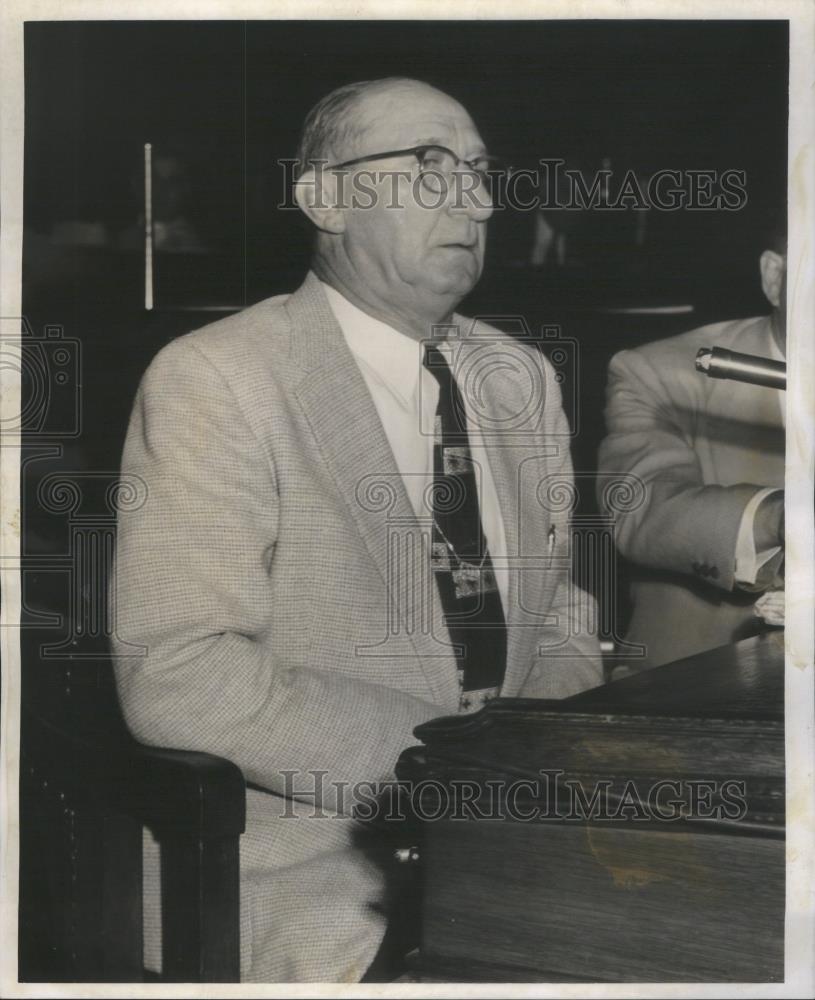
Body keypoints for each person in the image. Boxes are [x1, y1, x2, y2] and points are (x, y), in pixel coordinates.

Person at [111, 77, 602, 983]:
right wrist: (449, 764)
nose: (474, 198)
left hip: (530, 831)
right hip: (309, 858)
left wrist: (538, 757)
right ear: (325, 197)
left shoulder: (521, 376)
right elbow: (177, 674)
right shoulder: (218, 378)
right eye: (428, 167)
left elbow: (561, 605)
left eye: (481, 173)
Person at [598, 230, 786, 670]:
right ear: (775, 277)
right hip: (695, 695)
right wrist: (780, 517)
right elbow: (640, 508)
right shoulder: (660, 372)